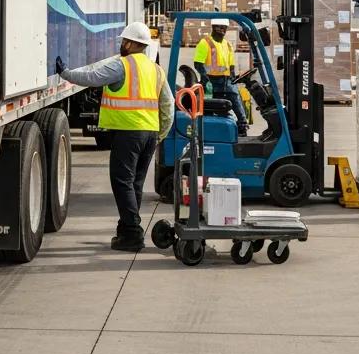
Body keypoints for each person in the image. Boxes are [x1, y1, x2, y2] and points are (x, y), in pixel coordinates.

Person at [55, 22, 173, 251]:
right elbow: (168, 105)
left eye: (123, 41)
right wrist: (160, 135)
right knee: (135, 184)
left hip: (129, 134)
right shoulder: (156, 70)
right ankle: (126, 230)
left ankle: (132, 234)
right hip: (149, 134)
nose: (121, 44)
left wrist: (65, 73)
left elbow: (93, 77)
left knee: (122, 182)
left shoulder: (123, 65)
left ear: (130, 43)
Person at [193, 18, 248, 136]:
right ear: (213, 27)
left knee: (236, 99)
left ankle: (242, 126)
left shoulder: (227, 44)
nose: (222, 30)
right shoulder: (205, 42)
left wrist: (233, 75)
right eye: (219, 27)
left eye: (224, 28)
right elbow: (198, 63)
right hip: (211, 81)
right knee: (213, 106)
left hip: (226, 81)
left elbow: (231, 64)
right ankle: (211, 130)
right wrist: (205, 78)